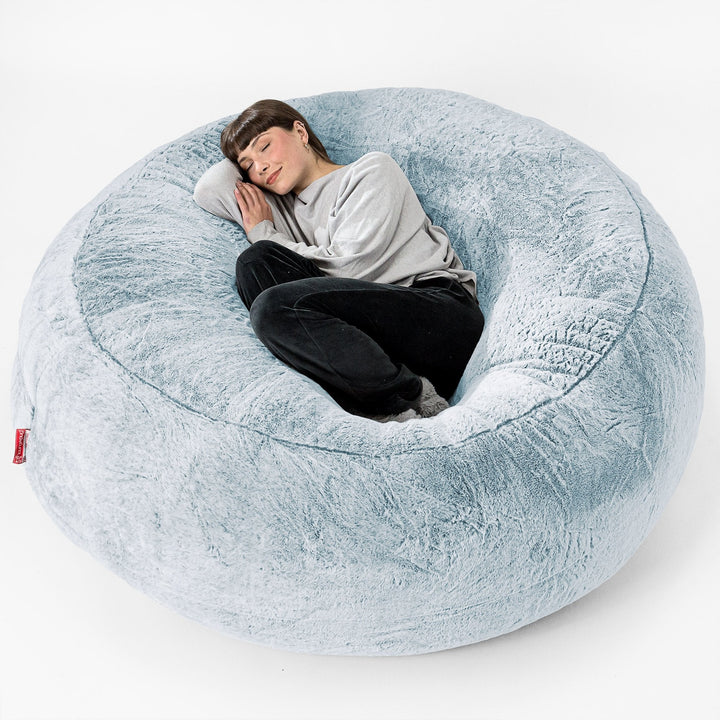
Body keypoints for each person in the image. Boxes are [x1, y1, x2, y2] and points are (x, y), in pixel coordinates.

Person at [193, 99, 484, 422]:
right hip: (377, 350)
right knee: (255, 262)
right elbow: (210, 187)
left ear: (300, 132)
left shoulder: (371, 171)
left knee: (271, 305)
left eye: (265, 146)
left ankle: (409, 401)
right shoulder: (280, 212)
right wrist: (258, 212)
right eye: (247, 165)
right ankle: (385, 400)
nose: (259, 167)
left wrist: (263, 232)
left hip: (437, 317)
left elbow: (352, 268)